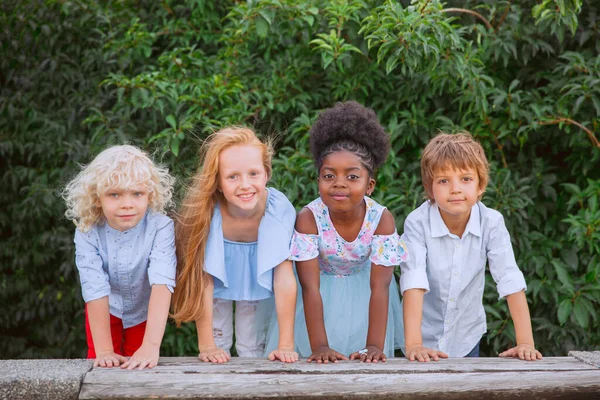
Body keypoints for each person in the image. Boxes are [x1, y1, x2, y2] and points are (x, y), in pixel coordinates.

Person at [268, 101, 407, 363]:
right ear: (318, 179)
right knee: (316, 369)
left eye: (352, 177)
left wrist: (374, 345)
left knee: (365, 368)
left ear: (370, 185)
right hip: (317, 299)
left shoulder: (381, 220)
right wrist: (319, 345)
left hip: (365, 297)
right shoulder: (309, 218)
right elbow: (310, 288)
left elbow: (381, 287)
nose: (339, 183)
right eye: (329, 176)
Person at [400, 131, 543, 361]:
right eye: (443, 180)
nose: (455, 189)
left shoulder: (492, 222)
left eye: (465, 179)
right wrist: (414, 344)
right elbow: (413, 281)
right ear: (430, 189)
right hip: (419, 336)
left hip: (466, 335)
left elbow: (509, 277)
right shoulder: (417, 223)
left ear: (480, 186)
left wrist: (525, 342)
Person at [172, 127, 298, 363]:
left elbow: (283, 277)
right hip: (215, 287)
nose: (245, 185)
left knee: (252, 346)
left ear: (267, 173)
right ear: (217, 181)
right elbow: (204, 279)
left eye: (253, 173)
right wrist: (206, 345)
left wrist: (286, 344)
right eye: (232, 176)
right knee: (217, 345)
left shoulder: (278, 210)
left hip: (257, 286)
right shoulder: (208, 212)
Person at [63, 145, 177, 370]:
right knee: (103, 367)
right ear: (97, 197)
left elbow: (162, 282)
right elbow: (94, 287)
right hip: (105, 309)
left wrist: (151, 346)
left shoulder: (161, 227)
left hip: (144, 311)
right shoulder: (87, 230)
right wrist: (104, 350)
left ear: (150, 194)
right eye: (114, 194)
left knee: (140, 369)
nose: (127, 203)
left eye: (137, 193)